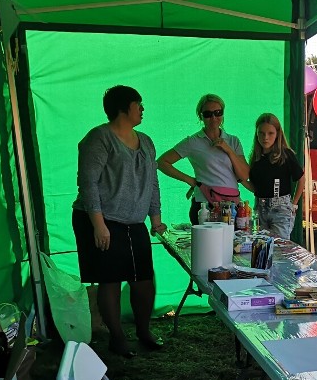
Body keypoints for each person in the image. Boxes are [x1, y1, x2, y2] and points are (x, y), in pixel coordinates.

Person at [72, 85, 167, 358]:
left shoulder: (146, 141)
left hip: (133, 222)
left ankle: (143, 330)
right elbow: (88, 184)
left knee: (144, 279)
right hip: (101, 218)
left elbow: (153, 182)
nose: (143, 110)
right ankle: (117, 338)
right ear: (124, 109)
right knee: (110, 280)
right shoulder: (98, 138)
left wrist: (156, 219)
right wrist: (98, 225)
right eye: (139, 105)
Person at [157, 94, 249, 224]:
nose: (213, 117)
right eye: (207, 114)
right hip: (204, 205)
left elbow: (244, 175)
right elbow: (162, 162)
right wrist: (190, 180)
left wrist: (228, 149)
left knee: (232, 244)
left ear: (223, 114)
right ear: (200, 116)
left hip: (231, 206)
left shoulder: (233, 141)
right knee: (206, 244)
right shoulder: (192, 141)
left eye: (218, 112)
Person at [244, 113, 304, 239]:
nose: (265, 137)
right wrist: (240, 179)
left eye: (270, 133)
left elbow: (300, 178)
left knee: (279, 247)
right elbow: (256, 186)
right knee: (262, 246)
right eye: (261, 133)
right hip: (260, 208)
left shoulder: (285, 155)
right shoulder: (256, 157)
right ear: (256, 133)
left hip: (281, 208)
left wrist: (294, 203)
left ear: (277, 134)